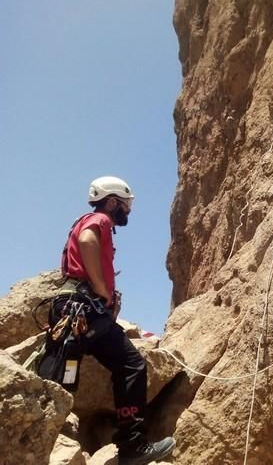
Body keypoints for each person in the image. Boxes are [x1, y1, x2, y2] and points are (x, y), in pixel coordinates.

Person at [58, 176, 175, 464]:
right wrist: (101, 291)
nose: (128, 211)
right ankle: (132, 445)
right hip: (86, 307)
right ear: (111, 202)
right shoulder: (100, 221)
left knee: (63, 367)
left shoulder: (87, 220)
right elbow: (87, 240)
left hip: (72, 308)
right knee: (131, 365)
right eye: (125, 205)